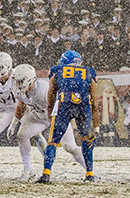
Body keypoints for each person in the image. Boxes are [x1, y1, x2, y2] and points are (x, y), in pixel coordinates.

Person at [8, 64, 86, 180]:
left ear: (29, 79)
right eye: (16, 81)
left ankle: (90, 170)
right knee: (22, 135)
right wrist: (14, 123)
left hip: (57, 115)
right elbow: (21, 104)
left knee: (70, 147)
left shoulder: (44, 89)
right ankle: (27, 169)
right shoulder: (19, 90)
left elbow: (60, 107)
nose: (17, 84)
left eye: (20, 81)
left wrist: (59, 125)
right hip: (38, 115)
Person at [38, 50, 99, 183]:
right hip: (83, 105)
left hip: (64, 104)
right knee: (86, 139)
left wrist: (50, 110)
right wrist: (97, 124)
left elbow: (51, 92)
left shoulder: (57, 70)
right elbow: (94, 99)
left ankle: (46, 173)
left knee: (53, 141)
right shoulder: (89, 72)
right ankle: (89, 173)